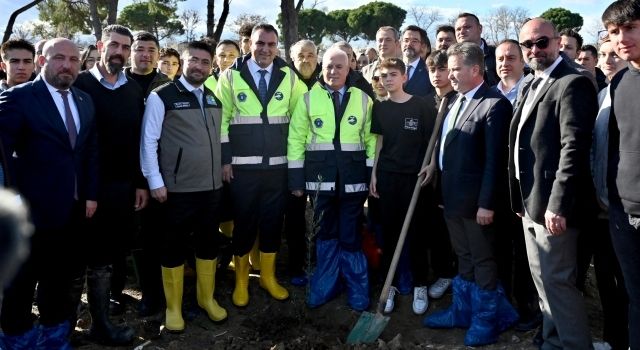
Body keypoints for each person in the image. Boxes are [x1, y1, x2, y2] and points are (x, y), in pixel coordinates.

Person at [0, 38, 98, 349]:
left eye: (73, 59)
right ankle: (15, 335)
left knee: (58, 278)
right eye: (58, 58)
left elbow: (89, 152)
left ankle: (54, 332)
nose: (67, 65)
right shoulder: (18, 98)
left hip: (71, 209)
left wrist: (91, 194)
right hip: (27, 211)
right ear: (42, 61)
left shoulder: (84, 100)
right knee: (21, 280)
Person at [509, 18, 598, 349]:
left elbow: (574, 148)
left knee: (558, 282)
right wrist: (519, 200)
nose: (535, 50)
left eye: (541, 42)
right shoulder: (531, 82)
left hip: (554, 207)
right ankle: (552, 341)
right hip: (529, 203)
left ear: (558, 41)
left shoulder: (573, 82)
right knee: (542, 280)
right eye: (528, 45)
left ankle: (574, 344)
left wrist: (557, 204)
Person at [421, 42, 517, 346]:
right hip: (451, 199)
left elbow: (494, 161)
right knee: (463, 256)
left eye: (455, 69)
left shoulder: (494, 104)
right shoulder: (452, 101)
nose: (449, 75)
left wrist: (486, 204)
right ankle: (462, 310)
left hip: (478, 205)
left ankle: (486, 319)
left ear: (475, 69)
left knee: (483, 259)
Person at [215, 23, 306, 307]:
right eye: (259, 43)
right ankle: (242, 280)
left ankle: (267, 277)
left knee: (271, 224)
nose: (265, 49)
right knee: (243, 224)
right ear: (249, 44)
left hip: (277, 168)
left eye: (270, 44)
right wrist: (226, 160)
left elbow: (300, 121)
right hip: (242, 168)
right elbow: (222, 122)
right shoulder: (230, 77)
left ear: (277, 46)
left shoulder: (289, 77)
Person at [141, 40, 226, 332]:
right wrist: (155, 180)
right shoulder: (161, 96)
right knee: (172, 247)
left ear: (211, 65)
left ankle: (206, 299)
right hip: (175, 190)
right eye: (194, 61)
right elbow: (148, 141)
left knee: (208, 244)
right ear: (182, 63)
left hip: (211, 189)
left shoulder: (214, 98)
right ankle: (173, 308)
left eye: (205, 62)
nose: (199, 67)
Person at [73, 24, 145, 345]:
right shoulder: (79, 85)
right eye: (114, 45)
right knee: (75, 260)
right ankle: (63, 328)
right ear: (100, 45)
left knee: (105, 261)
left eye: (125, 47)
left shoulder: (133, 90)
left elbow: (140, 141)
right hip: (84, 189)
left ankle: (100, 324)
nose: (120, 52)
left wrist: (140, 183)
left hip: (122, 189)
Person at [288, 47, 375, 311]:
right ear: (320, 68)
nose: (333, 71)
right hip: (319, 182)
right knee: (324, 234)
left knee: (350, 234)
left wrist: (372, 176)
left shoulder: (363, 99)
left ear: (349, 68)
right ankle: (325, 284)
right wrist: (295, 180)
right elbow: (295, 140)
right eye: (328, 66)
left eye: (339, 66)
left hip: (354, 180)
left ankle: (356, 288)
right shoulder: (307, 99)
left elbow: (371, 140)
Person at [369, 57, 436, 315]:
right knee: (389, 232)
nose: (388, 79)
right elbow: (380, 143)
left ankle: (420, 283)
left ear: (404, 77)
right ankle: (391, 286)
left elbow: (432, 140)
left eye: (393, 74)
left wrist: (430, 165)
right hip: (388, 177)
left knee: (417, 233)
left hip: (415, 179)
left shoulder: (421, 106)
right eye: (383, 75)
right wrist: (374, 173)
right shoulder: (380, 107)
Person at [601, 2, 640, 349]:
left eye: (631, 28)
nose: (622, 38)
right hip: (624, 214)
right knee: (636, 297)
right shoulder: (621, 82)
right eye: (614, 32)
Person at [589, 33, 630, 350]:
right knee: (607, 278)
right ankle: (614, 338)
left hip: (630, 209)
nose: (608, 59)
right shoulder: (601, 95)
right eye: (603, 54)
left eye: (613, 53)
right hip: (602, 208)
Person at [454, 13, 499, 86]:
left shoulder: (497, 54)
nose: (462, 32)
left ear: (480, 29)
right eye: (458, 29)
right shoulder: (450, 59)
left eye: (467, 27)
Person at [125, 32, 170, 97]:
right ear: (129, 53)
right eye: (140, 50)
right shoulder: (116, 82)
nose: (146, 55)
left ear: (158, 56)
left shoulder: (167, 84)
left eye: (151, 50)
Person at [401, 25, 434, 98]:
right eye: (406, 40)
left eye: (414, 41)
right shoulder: (393, 66)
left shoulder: (429, 70)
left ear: (422, 46)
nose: (409, 44)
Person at [493, 39, 526, 105]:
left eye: (510, 58)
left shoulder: (533, 90)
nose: (504, 64)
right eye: (500, 59)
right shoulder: (488, 95)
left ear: (523, 61)